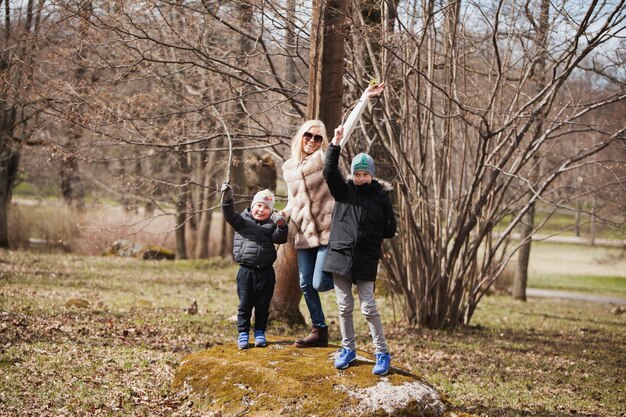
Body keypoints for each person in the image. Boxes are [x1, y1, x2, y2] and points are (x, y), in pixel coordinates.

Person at [322, 83, 397, 376]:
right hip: (340, 257)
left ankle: (382, 353)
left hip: (365, 260)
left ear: (372, 174)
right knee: (344, 307)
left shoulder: (381, 196)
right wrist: (335, 144)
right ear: (352, 174)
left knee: (369, 308)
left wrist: (377, 232)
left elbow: (390, 227)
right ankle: (348, 348)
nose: (361, 177)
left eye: (365, 173)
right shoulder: (344, 191)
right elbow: (329, 171)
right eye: (357, 173)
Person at [281, 119, 336, 347]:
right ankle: (319, 329)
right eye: (308, 135)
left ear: (323, 142)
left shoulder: (324, 160)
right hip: (304, 231)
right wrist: (281, 215)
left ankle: (348, 272)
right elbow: (293, 201)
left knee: (320, 283)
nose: (311, 140)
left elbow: (346, 131)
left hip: (326, 228)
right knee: (305, 283)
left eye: (317, 137)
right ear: (300, 136)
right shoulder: (288, 167)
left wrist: (365, 98)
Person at [221, 183, 288, 349]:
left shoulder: (271, 225)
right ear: (252, 207)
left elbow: (280, 239)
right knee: (245, 304)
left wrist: (281, 225)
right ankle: (243, 333)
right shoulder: (242, 221)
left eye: (266, 207)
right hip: (246, 271)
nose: (261, 210)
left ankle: (259, 332)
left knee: (263, 305)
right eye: (259, 205)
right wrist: (227, 198)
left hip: (266, 272)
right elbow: (229, 215)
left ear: (270, 211)